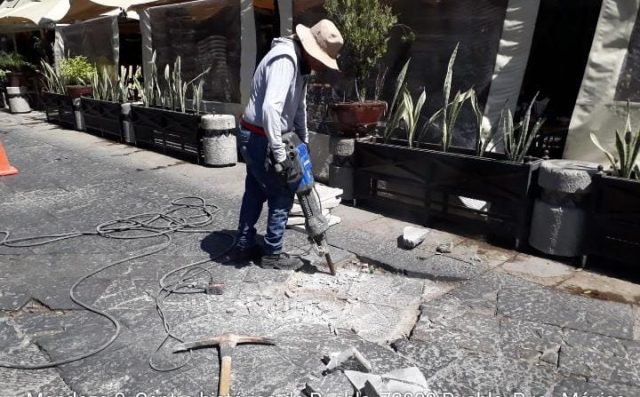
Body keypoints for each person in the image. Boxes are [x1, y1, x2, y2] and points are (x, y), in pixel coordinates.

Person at [228, 19, 344, 269]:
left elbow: (298, 106)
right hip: (262, 137)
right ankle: (272, 253)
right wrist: (280, 155)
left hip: (258, 135)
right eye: (320, 59)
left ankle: (244, 244)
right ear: (310, 48)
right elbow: (272, 108)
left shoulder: (299, 63)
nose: (320, 66)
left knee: (255, 191)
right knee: (282, 194)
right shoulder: (285, 59)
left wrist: (303, 140)